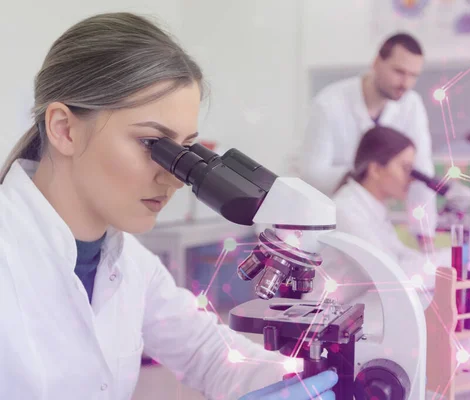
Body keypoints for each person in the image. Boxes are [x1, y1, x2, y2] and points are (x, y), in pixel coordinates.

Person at [0, 13, 337, 400]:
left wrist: (300, 381)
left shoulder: (129, 261)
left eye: (184, 151)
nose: (175, 177)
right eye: (151, 143)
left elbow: (208, 353)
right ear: (65, 129)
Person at [295, 32, 438, 251]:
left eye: (413, 75)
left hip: (368, 211)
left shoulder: (411, 104)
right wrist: (367, 176)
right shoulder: (329, 103)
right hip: (325, 219)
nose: (405, 83)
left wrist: (425, 239)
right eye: (399, 72)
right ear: (376, 62)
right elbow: (312, 173)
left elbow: (421, 170)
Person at [332, 126, 450, 293]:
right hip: (328, 314)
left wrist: (447, 258)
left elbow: (402, 256)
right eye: (405, 168)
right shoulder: (345, 210)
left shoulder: (373, 209)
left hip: (360, 307)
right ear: (375, 170)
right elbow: (390, 276)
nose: (411, 179)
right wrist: (453, 260)